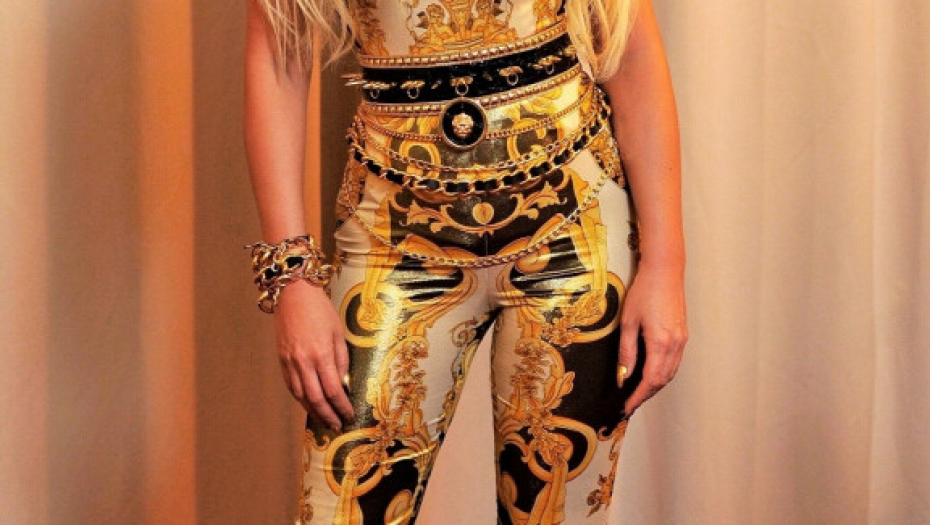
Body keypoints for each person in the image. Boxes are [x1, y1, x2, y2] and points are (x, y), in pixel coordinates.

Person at [243, 0, 687, 522]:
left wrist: (664, 266)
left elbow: (629, 49)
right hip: (392, 238)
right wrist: (292, 278)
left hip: (573, 229)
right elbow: (279, 55)